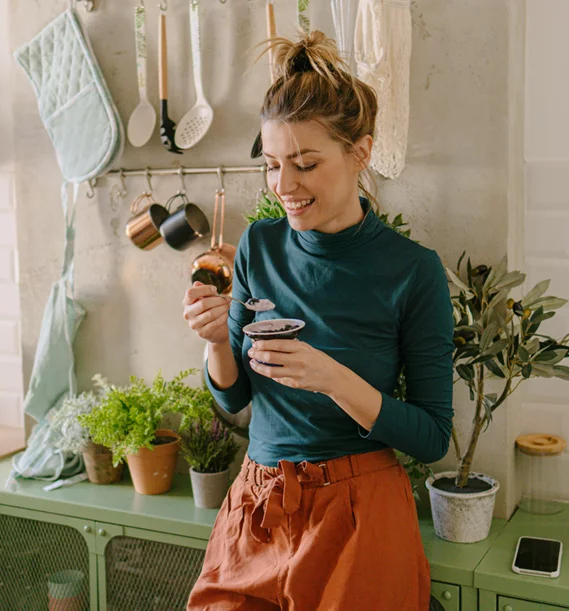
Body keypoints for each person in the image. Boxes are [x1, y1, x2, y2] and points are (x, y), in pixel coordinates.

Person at [183, 31, 453, 611]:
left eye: (305, 164)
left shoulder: (412, 271)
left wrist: (332, 377)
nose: (284, 186)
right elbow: (233, 401)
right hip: (258, 504)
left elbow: (432, 437)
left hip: (357, 512)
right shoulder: (259, 245)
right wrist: (215, 343)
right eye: (274, 164)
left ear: (360, 152)